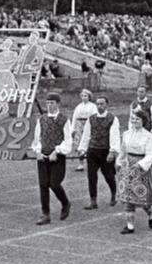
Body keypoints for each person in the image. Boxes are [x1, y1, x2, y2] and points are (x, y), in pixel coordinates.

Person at [31, 92, 72, 224]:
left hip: (57, 157)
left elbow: (68, 141)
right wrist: (37, 151)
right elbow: (37, 138)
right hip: (43, 155)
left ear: (58, 104)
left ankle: (65, 203)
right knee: (43, 185)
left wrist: (57, 150)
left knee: (54, 183)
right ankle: (45, 214)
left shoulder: (64, 119)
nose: (49, 105)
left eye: (52, 103)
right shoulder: (42, 119)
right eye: (48, 103)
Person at [116, 109, 152, 233]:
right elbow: (123, 150)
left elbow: (151, 154)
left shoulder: (148, 136)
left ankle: (151, 212)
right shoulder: (126, 134)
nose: (134, 121)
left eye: (137, 119)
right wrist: (119, 162)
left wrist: (140, 164)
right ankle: (130, 226)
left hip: (141, 168)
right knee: (128, 196)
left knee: (140, 196)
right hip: (128, 167)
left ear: (143, 121)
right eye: (133, 118)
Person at [77, 95, 120, 209]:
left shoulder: (112, 119)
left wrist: (113, 151)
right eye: (98, 104)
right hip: (93, 150)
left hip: (106, 151)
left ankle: (114, 195)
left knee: (108, 175)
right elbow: (86, 134)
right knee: (91, 176)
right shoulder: (91, 118)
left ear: (107, 105)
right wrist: (82, 149)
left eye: (102, 104)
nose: (99, 106)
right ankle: (93, 201)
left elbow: (114, 136)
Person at [71, 88, 98, 172]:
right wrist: (73, 128)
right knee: (79, 144)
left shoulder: (93, 106)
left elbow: (95, 117)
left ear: (89, 97)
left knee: (89, 143)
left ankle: (93, 163)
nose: (84, 97)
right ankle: (81, 163)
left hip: (88, 124)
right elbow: (74, 117)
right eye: (82, 96)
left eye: (85, 96)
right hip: (79, 125)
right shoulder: (78, 106)